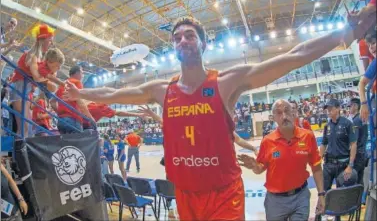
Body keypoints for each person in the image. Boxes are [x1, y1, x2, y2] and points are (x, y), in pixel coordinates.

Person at [64, 15, 375, 220]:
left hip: (224, 194)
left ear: (203, 43)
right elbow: (113, 95)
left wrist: (343, 35)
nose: (182, 40)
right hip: (186, 194)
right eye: (177, 38)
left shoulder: (226, 82)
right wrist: (81, 95)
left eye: (189, 35)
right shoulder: (160, 90)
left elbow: (293, 57)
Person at [238, 99, 325, 220]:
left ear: (293, 113)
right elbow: (259, 169)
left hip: (301, 197)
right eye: (279, 113)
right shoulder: (267, 141)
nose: (284, 116)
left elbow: (316, 168)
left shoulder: (307, 136)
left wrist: (321, 194)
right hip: (275, 201)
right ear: (273, 118)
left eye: (286, 111)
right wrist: (254, 166)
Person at [8, 24, 55, 137]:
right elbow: (37, 77)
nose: (51, 43)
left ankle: (20, 153)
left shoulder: (36, 56)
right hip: (20, 88)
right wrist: (48, 81)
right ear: (43, 40)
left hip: (25, 90)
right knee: (24, 128)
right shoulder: (33, 55)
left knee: (26, 128)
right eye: (50, 40)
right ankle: (19, 153)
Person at [320, 99, 357, 191]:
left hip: (343, 165)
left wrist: (350, 166)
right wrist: (319, 159)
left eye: (330, 108)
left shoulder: (347, 124)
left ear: (338, 108)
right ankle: (326, 206)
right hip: (328, 164)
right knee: (324, 191)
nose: (328, 110)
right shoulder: (327, 126)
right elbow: (324, 144)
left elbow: (353, 145)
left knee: (342, 193)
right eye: (327, 108)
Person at [52, 65, 94, 134]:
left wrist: (61, 113)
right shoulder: (76, 82)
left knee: (66, 144)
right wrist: (91, 118)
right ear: (77, 73)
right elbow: (80, 103)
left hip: (61, 121)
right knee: (77, 144)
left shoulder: (61, 85)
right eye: (82, 73)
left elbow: (52, 101)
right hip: (73, 120)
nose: (83, 75)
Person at [347, 98, 368, 185]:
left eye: (350, 106)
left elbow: (354, 141)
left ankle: (357, 198)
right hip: (363, 152)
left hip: (357, 155)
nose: (349, 108)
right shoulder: (362, 118)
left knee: (353, 181)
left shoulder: (356, 121)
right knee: (360, 180)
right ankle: (362, 198)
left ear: (355, 106)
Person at [359, 31, 376, 122]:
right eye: (369, 46)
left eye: (373, 43)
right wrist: (363, 103)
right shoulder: (375, 63)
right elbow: (361, 83)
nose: (371, 47)